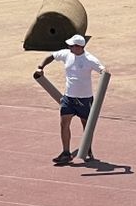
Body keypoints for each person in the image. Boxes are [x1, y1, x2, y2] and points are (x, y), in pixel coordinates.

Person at [34, 34, 108, 164]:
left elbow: (103, 70)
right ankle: (66, 153)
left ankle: (87, 150)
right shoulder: (66, 54)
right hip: (69, 98)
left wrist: (104, 73)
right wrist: (41, 67)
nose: (69, 47)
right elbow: (51, 56)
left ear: (79, 47)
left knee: (86, 126)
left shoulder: (89, 59)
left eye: (72, 45)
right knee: (64, 123)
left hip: (85, 99)